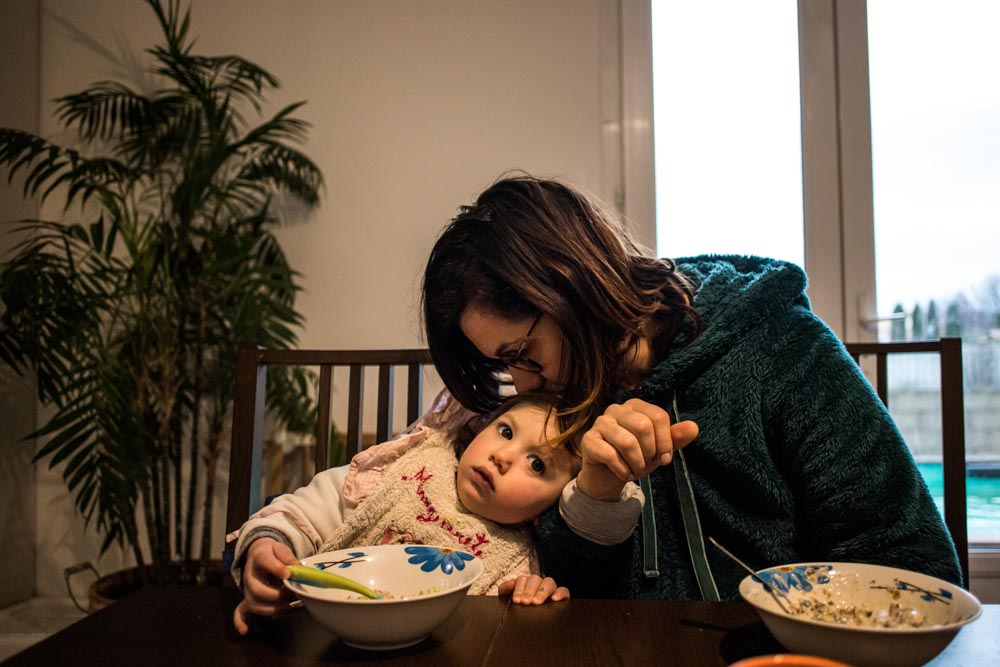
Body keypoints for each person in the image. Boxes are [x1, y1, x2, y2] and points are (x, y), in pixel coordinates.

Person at [420, 173, 962, 601]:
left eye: (521, 354)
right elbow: (576, 587)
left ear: (573, 286)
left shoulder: (778, 344)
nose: (520, 382)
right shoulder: (563, 404)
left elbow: (909, 558)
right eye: (503, 365)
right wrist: (594, 493)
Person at [229, 391, 632, 635]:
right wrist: (269, 547)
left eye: (537, 465)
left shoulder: (521, 561)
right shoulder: (405, 469)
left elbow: (512, 632)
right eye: (505, 432)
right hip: (318, 638)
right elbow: (303, 511)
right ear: (478, 430)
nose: (504, 456)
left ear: (549, 507)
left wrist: (533, 600)